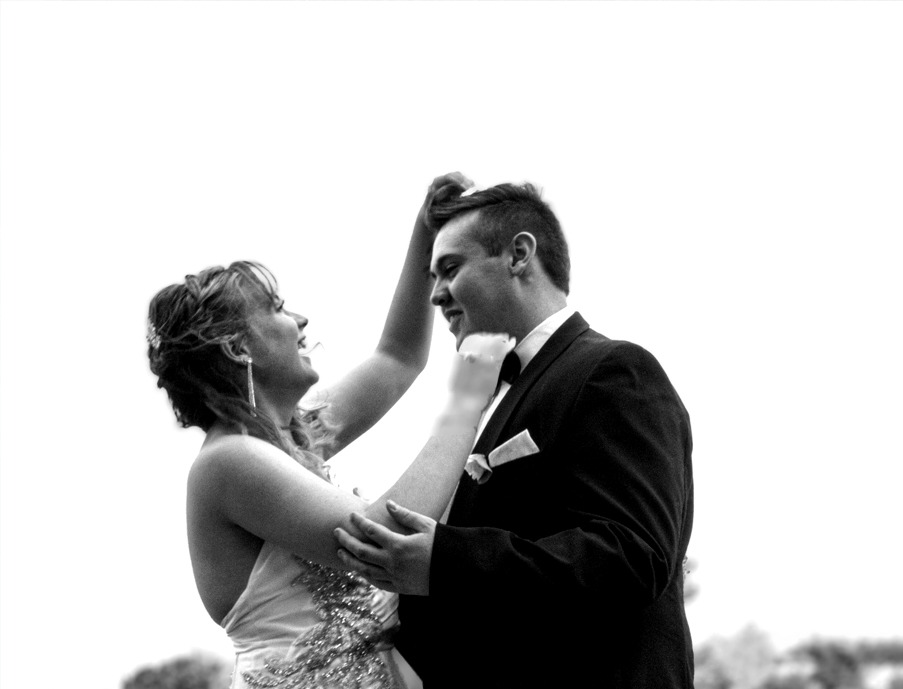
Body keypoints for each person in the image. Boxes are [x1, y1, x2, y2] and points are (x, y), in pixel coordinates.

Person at [145, 173, 512, 689]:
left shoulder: (290, 435)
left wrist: (425, 231)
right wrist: (470, 393)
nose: (300, 320)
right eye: (277, 309)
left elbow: (398, 357)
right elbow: (381, 539)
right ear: (237, 347)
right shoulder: (228, 461)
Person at [334, 181, 695, 687]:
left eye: (450, 269)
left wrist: (445, 561)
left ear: (519, 255)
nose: (435, 294)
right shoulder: (487, 391)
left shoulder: (613, 369)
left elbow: (632, 556)